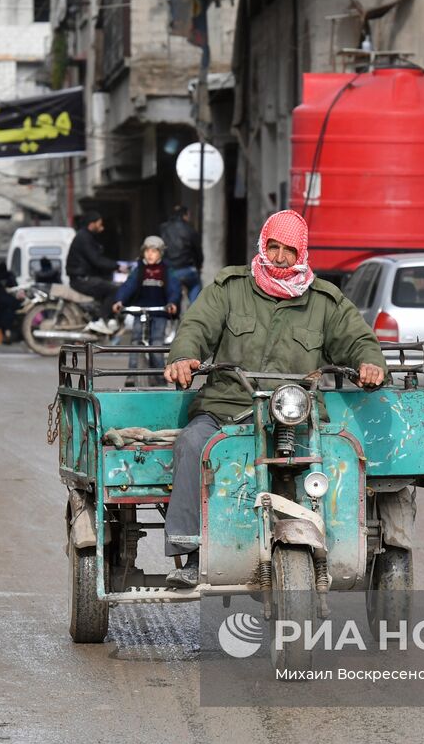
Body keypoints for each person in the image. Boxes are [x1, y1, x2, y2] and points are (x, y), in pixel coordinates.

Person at [160, 210, 387, 587]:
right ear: (262, 244)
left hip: (296, 419)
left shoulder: (325, 301)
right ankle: (191, 549)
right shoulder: (230, 287)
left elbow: (358, 340)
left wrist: (370, 363)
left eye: (289, 250)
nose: (280, 257)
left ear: (302, 254)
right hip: (228, 409)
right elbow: (196, 326)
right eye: (273, 247)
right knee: (193, 443)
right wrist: (184, 356)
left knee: (335, 460)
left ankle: (337, 546)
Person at [112, 235, 180, 379]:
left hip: (160, 312)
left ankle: (160, 378)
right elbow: (128, 286)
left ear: (160, 253)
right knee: (136, 342)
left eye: (154, 251)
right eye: (147, 251)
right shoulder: (139, 270)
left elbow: (174, 288)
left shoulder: (166, 270)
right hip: (140, 311)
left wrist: (172, 302)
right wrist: (119, 301)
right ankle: (131, 375)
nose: (150, 254)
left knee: (156, 344)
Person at [65, 211, 121, 334]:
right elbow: (96, 260)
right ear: (92, 224)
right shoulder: (84, 237)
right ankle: (100, 320)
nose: (102, 227)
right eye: (99, 224)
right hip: (81, 279)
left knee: (105, 286)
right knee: (114, 289)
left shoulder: (87, 236)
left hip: (82, 277)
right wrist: (117, 266)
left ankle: (106, 318)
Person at [159, 204, 203, 308]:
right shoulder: (190, 230)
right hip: (187, 269)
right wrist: (199, 265)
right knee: (195, 286)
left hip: (170, 270)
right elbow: (198, 251)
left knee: (171, 292)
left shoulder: (163, 228)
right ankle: (195, 312)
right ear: (185, 215)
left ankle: (172, 309)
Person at [0, 261, 20, 344]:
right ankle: (8, 334)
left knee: (1, 320)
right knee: (9, 320)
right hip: (9, 302)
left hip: (0, 303)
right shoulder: (10, 275)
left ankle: (4, 335)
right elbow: (15, 287)